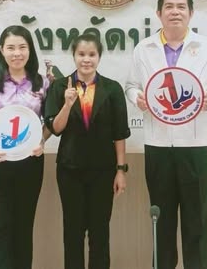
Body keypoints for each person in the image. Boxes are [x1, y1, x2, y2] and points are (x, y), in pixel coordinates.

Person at [125, 0, 207, 269]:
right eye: (169, 7)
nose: (175, 12)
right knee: (161, 221)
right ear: (159, 13)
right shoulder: (144, 48)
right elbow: (131, 86)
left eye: (181, 7)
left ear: (191, 13)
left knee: (197, 223)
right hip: (158, 146)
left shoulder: (206, 47)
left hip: (195, 146)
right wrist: (137, 98)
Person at [0, 25, 51, 269]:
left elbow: (50, 123)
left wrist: (41, 141)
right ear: (1, 50)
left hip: (29, 164)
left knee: (22, 227)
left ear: (30, 50)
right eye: (11, 48)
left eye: (22, 47)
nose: (17, 53)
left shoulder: (42, 84)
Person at [44, 33, 131, 269]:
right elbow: (55, 128)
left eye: (92, 54)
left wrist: (120, 170)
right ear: (73, 55)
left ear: (99, 57)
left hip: (103, 171)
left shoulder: (112, 89)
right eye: (81, 54)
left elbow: (119, 133)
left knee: (99, 232)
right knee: (72, 232)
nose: (86, 59)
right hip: (69, 170)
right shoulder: (60, 86)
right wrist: (67, 104)